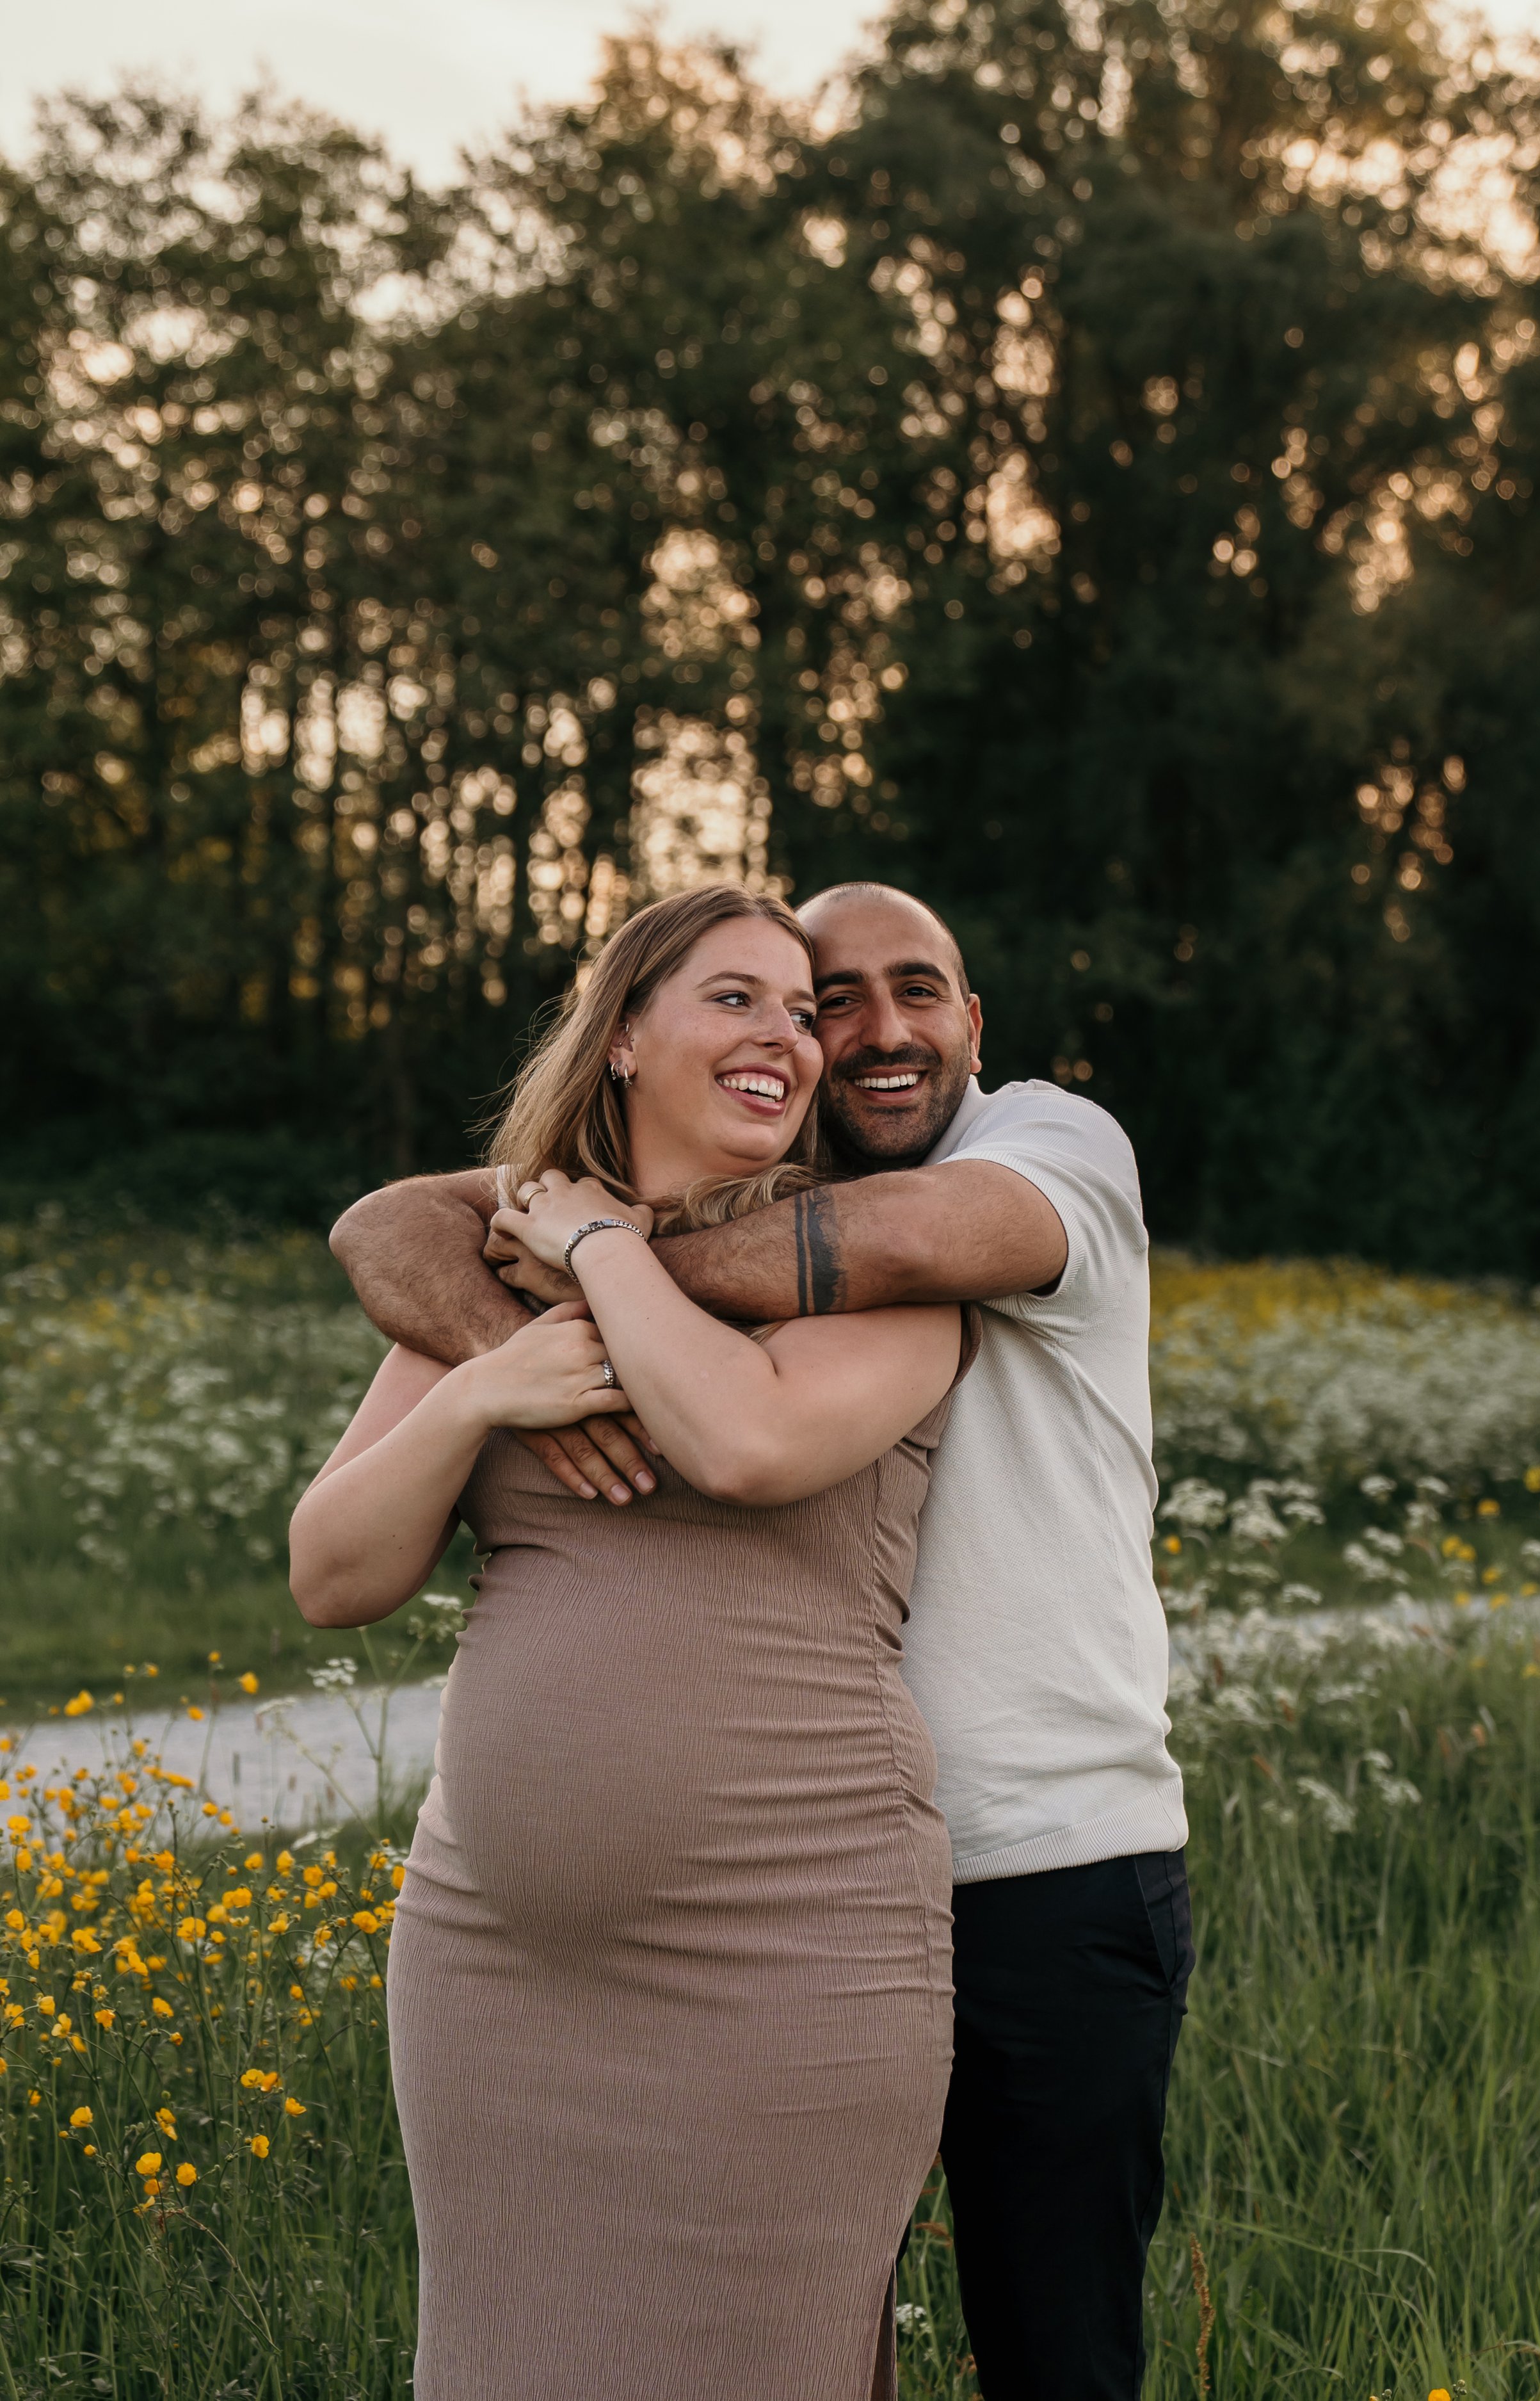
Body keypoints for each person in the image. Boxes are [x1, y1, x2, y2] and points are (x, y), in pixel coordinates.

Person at [333, 879, 1194, 2401]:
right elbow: (392, 1224)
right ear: (620, 1037)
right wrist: (495, 1352)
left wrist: (589, 1257)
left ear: (973, 1023)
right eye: (805, 998)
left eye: (898, 992)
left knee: (1050, 2358)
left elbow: (819, 1343)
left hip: (1025, 1868)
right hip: (536, 1958)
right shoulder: (598, 1229)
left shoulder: (1033, 1161)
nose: (851, 1034)